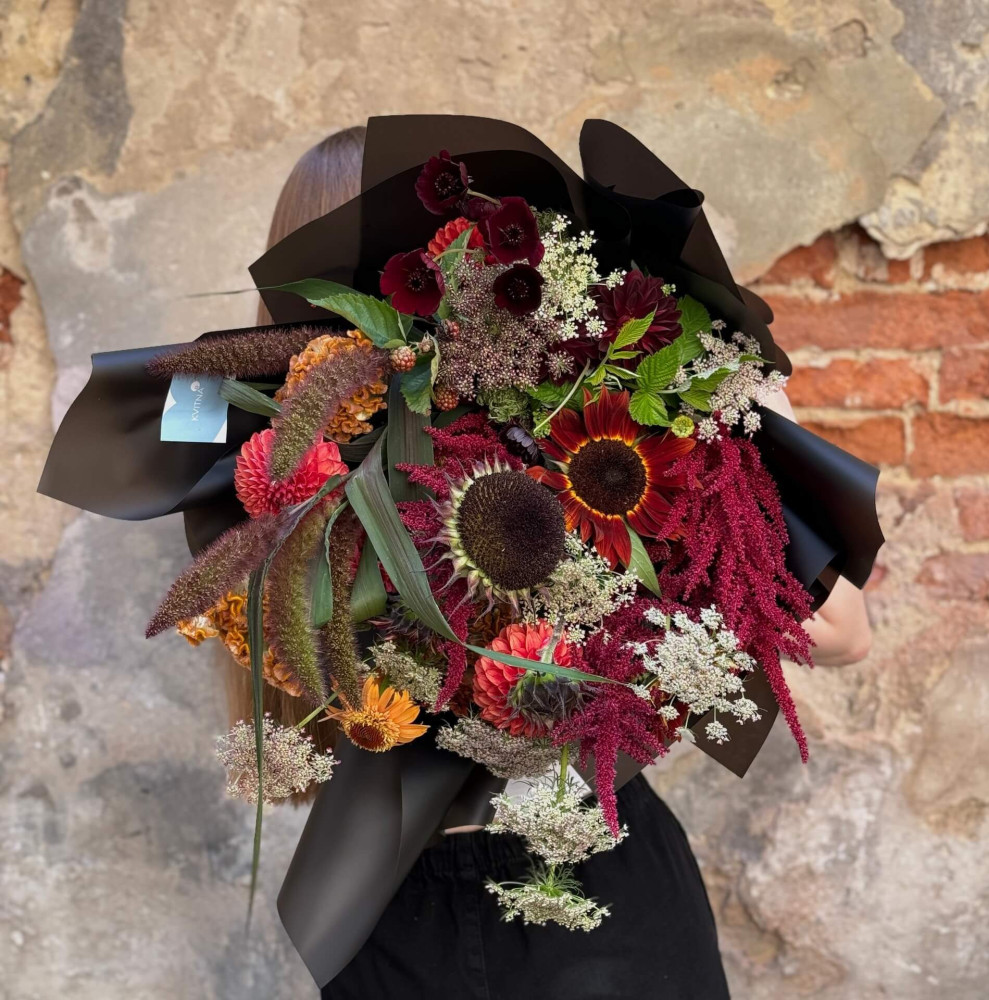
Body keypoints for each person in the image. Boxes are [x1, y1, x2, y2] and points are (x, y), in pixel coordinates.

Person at [229, 126, 872, 999]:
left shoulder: (266, 461)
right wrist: (746, 411)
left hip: (387, 905)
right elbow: (841, 631)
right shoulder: (577, 406)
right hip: (596, 886)